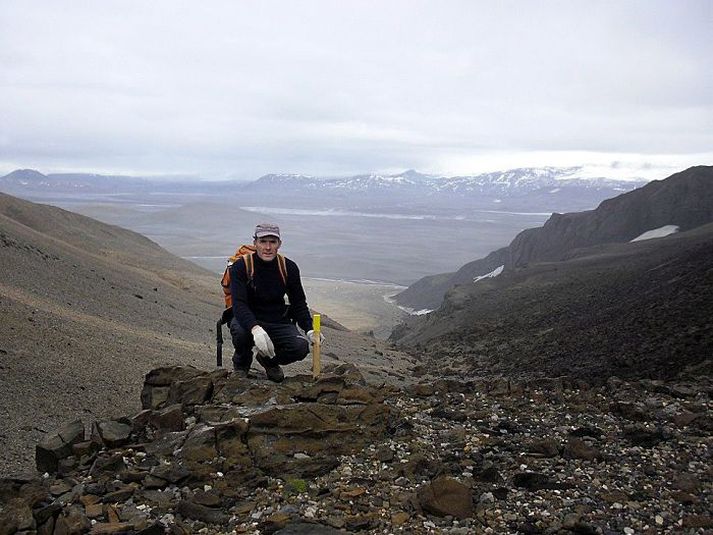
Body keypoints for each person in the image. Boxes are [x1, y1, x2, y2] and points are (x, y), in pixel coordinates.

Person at [229, 223, 322, 382]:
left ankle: (269, 361)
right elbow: (239, 304)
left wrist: (309, 329)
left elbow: (298, 303)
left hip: (277, 320)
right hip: (248, 318)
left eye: (272, 242)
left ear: (279, 244)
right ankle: (241, 366)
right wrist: (255, 328)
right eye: (263, 241)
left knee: (300, 348)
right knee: (241, 333)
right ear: (255, 243)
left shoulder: (288, 267)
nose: (267, 247)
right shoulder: (241, 267)